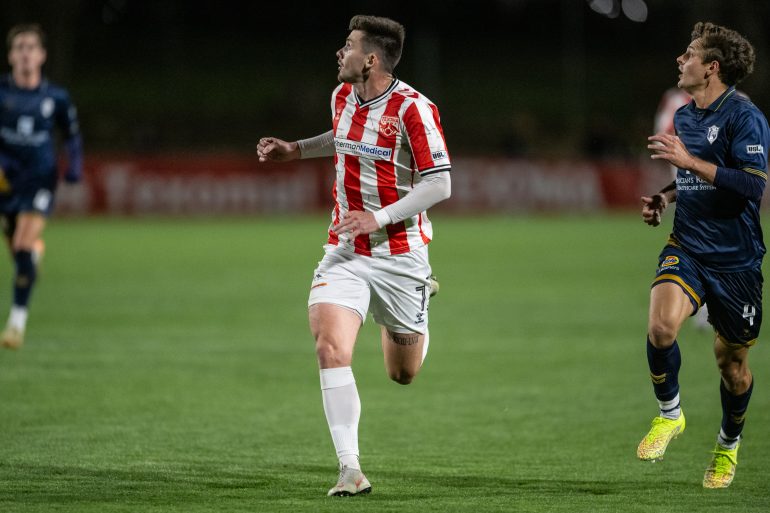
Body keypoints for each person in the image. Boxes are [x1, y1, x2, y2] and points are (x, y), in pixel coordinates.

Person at [256, 15, 451, 496]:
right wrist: (295, 150)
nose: (339, 53)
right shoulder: (342, 96)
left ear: (371, 59)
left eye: (348, 45)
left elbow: (440, 183)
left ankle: (417, 304)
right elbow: (340, 139)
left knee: (402, 374)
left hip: (402, 256)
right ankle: (350, 468)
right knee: (329, 347)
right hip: (344, 249)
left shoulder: (414, 109)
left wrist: (379, 218)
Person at [638, 22, 769, 489]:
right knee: (660, 326)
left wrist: (688, 162)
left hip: (736, 262)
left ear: (711, 67)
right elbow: (696, 177)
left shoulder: (744, 117)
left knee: (731, 367)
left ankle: (727, 446)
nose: (680, 59)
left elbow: (753, 184)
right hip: (688, 245)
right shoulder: (686, 116)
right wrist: (668, 197)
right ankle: (670, 414)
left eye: (689, 54)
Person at [0, 24, 82, 349]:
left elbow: (72, 136)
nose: (25, 53)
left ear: (42, 55)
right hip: (6, 184)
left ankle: (16, 324)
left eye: (31, 47)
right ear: (10, 56)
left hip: (40, 179)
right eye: (19, 47)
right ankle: (34, 252)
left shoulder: (56, 98)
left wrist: (74, 167)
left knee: (21, 244)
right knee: (20, 251)